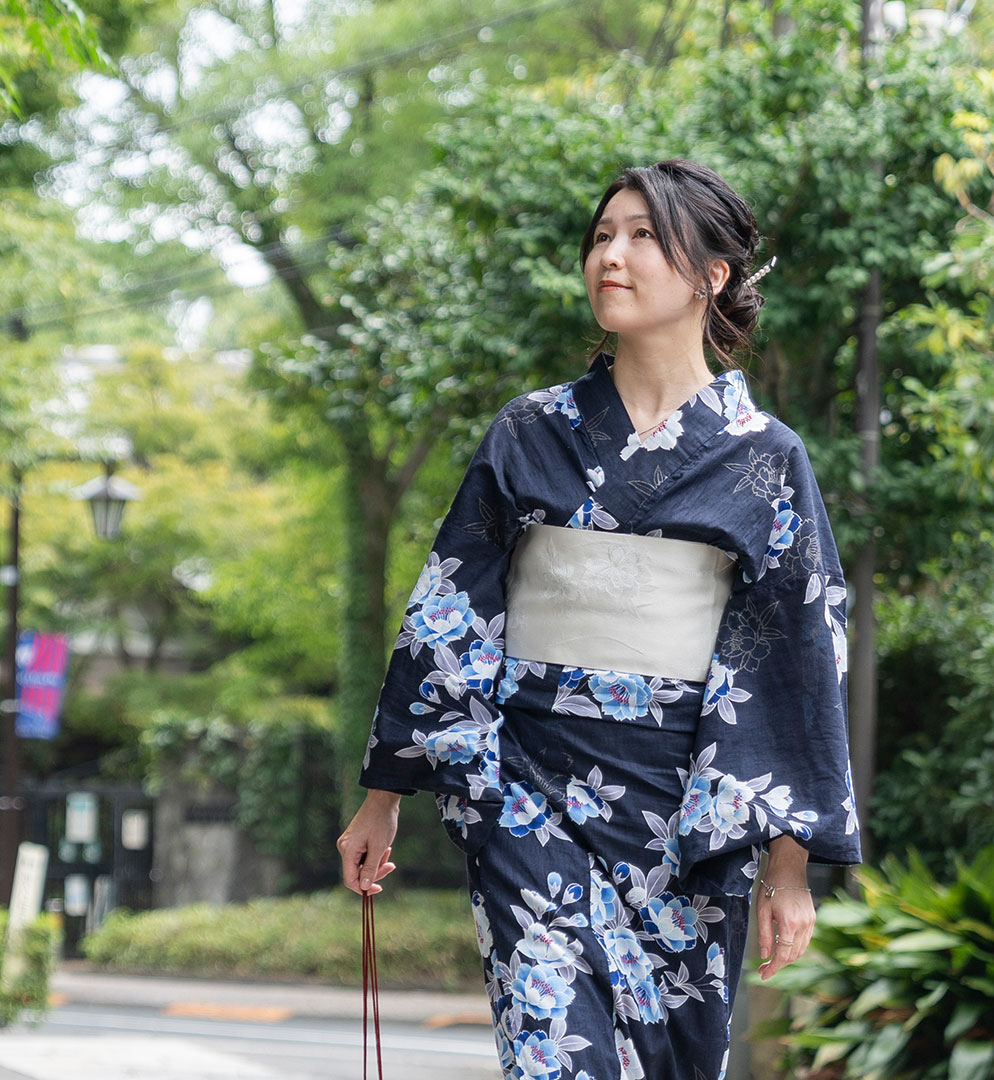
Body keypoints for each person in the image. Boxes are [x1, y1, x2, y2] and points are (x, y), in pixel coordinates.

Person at [335, 159, 861, 1079]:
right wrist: (384, 796)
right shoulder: (529, 431)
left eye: (643, 237)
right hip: (527, 794)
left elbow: (796, 664)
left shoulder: (767, 459)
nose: (610, 256)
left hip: (685, 817)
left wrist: (787, 867)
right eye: (602, 237)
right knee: (553, 1056)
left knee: (675, 1062)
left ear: (711, 275)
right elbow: (452, 612)